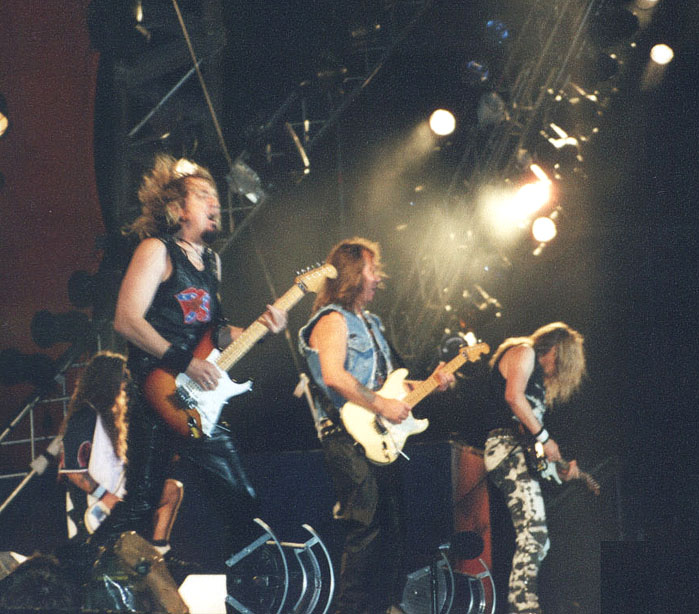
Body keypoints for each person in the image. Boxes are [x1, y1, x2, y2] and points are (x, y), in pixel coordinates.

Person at [97, 154, 287, 559]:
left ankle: (245, 579)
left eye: (215, 195)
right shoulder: (156, 250)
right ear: (177, 209)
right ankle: (69, 573)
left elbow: (216, 333)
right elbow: (126, 320)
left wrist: (262, 330)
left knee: (230, 497)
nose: (215, 203)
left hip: (190, 398)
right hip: (154, 393)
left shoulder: (211, 263)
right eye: (203, 195)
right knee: (146, 504)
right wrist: (186, 363)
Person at [298, 237, 454, 614]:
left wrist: (430, 384)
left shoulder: (373, 323)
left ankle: (385, 607)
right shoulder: (332, 320)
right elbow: (334, 376)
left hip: (380, 439)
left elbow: (388, 385)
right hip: (345, 437)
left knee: (393, 532)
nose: (379, 278)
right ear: (353, 274)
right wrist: (382, 404)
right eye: (372, 269)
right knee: (366, 529)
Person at [483, 322, 586, 614]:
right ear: (553, 350)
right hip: (505, 448)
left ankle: (522, 603)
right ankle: (523, 606)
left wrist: (557, 468)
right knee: (534, 532)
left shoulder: (538, 382)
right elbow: (513, 398)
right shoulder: (524, 352)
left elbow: (533, 438)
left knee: (540, 540)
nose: (557, 370)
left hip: (520, 452)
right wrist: (545, 437)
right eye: (561, 361)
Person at [59, 350, 183, 555]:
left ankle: (159, 553)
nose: (126, 384)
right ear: (107, 380)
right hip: (95, 505)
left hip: (120, 498)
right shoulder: (84, 416)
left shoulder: (115, 419)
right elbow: (74, 472)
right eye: (123, 377)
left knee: (170, 489)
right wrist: (105, 497)